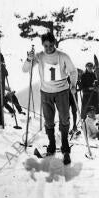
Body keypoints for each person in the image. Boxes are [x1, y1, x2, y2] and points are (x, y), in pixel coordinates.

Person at [22, 32, 77, 165]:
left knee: (64, 118)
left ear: (55, 44)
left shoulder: (62, 56)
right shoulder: (39, 56)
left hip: (62, 91)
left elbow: (73, 71)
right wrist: (29, 59)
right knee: (48, 120)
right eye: (45, 46)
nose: (48, 48)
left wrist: (73, 85)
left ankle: (65, 145)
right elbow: (25, 70)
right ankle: (52, 144)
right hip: (46, 92)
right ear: (43, 45)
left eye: (51, 45)